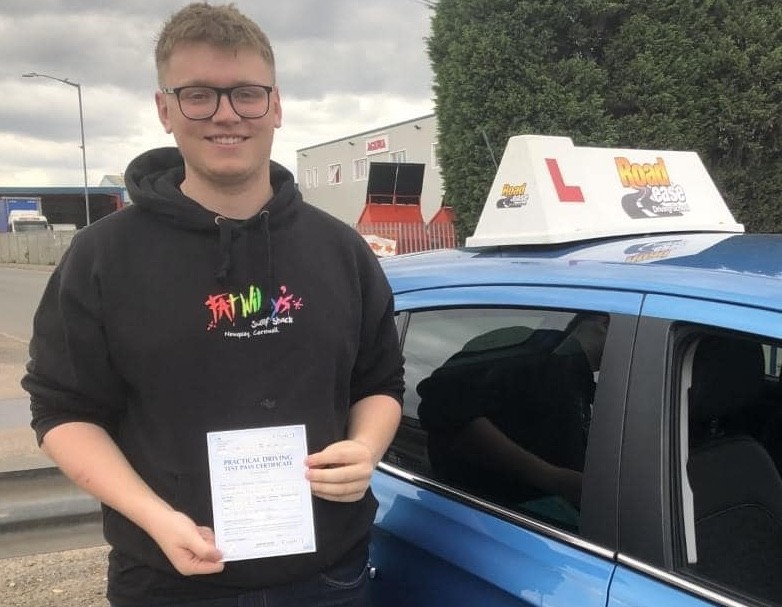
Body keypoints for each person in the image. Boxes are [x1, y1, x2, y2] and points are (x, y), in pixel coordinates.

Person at [22, 3, 404, 606]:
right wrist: (153, 515)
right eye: (199, 95)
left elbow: (380, 381)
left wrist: (366, 448)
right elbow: (62, 411)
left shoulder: (341, 250)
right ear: (164, 109)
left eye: (247, 94)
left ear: (276, 104)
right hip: (170, 578)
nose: (227, 116)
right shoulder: (102, 257)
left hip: (328, 575)